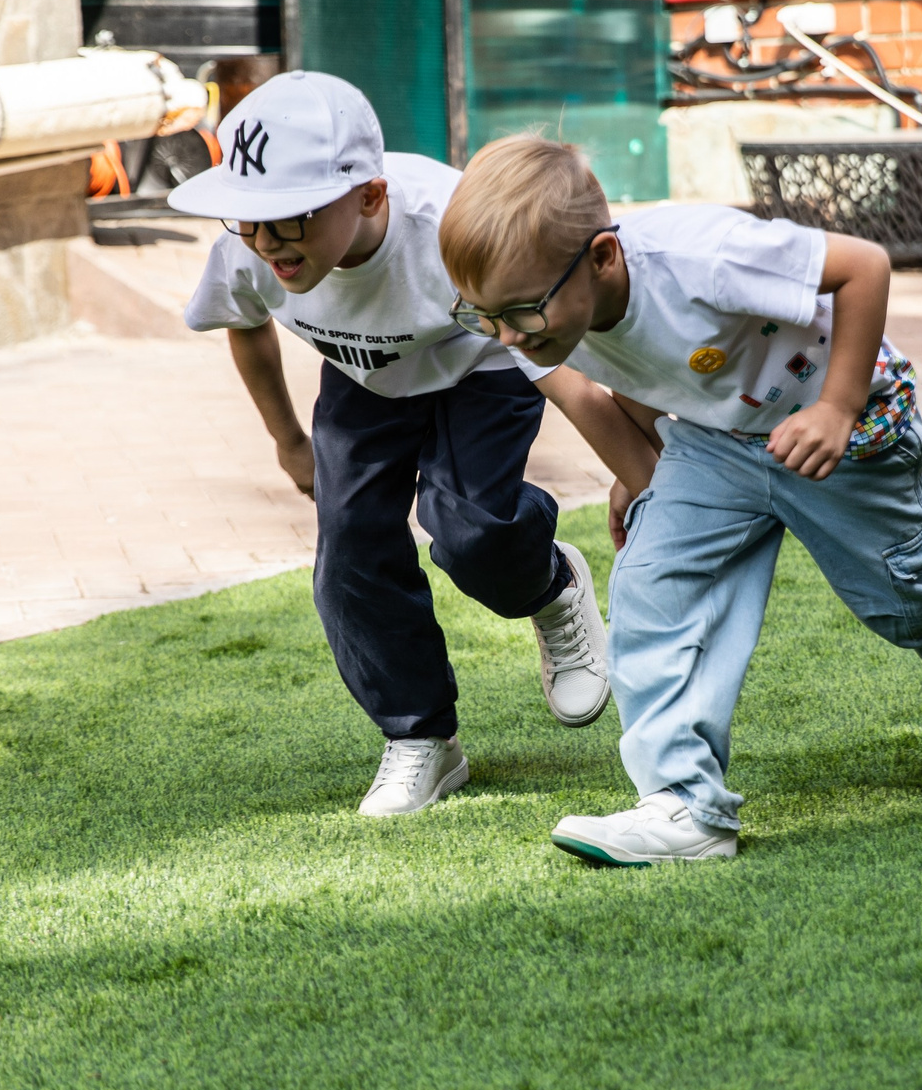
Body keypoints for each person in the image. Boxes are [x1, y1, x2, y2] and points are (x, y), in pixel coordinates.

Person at [436, 135, 922, 867]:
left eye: (521, 313)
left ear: (603, 257)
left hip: (836, 425)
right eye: (482, 317)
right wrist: (640, 472)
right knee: (650, 588)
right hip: (711, 440)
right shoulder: (530, 316)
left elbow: (864, 267)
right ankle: (683, 803)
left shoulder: (702, 255)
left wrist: (836, 406)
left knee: (907, 593)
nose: (506, 335)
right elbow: (634, 367)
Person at [174, 74, 612, 816]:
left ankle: (550, 584)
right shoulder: (249, 247)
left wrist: (633, 464)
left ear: (370, 196)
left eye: (292, 216)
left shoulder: (445, 232)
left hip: (485, 358)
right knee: (348, 552)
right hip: (365, 374)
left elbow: (558, 351)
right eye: (248, 217)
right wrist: (287, 440)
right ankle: (422, 738)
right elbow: (243, 321)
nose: (266, 240)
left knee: (474, 531)